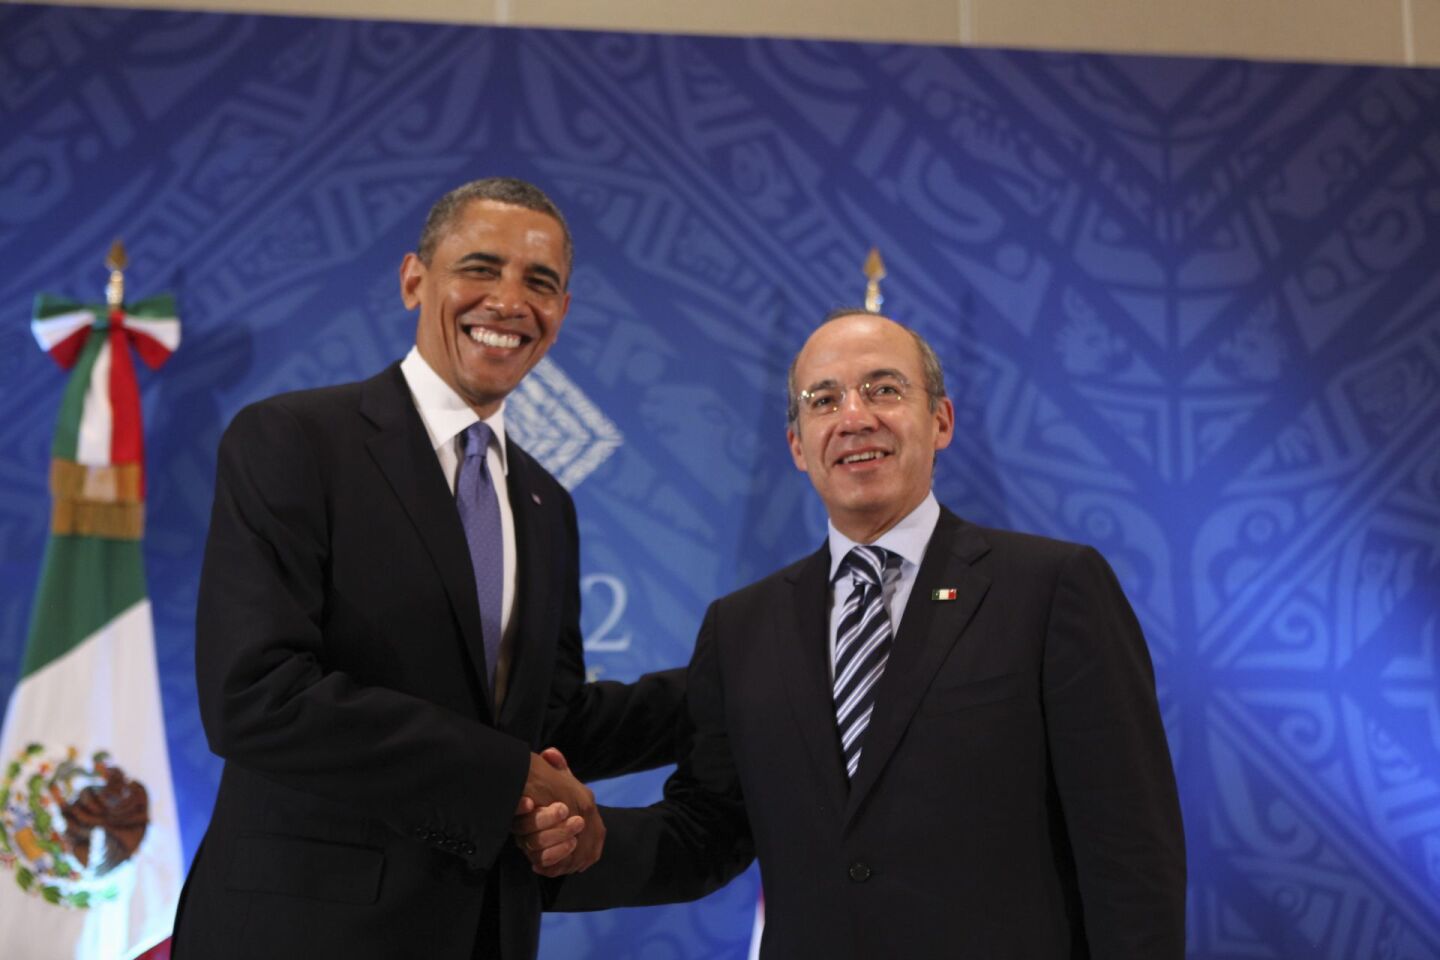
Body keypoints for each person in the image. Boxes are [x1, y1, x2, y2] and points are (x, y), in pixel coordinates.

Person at [525, 310, 1187, 958]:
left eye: (884, 389)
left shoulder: (1051, 588)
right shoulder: (743, 626)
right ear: (797, 446)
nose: (854, 418)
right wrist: (579, 843)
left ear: (942, 421)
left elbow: (1130, 847)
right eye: (823, 399)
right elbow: (708, 831)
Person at [172, 177, 683, 960]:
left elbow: (544, 723)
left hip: (483, 933)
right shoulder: (295, 442)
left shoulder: (545, 503)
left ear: (563, 314)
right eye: (480, 268)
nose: (510, 301)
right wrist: (506, 775)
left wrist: (729, 687)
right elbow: (255, 695)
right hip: (303, 933)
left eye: (539, 282)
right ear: (415, 279)